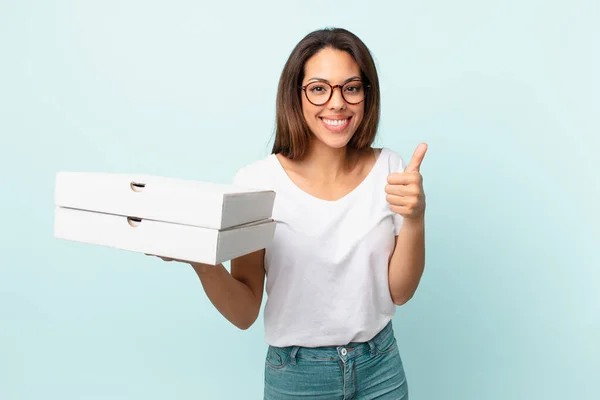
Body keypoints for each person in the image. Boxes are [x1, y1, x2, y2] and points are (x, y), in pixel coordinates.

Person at [158, 27, 426, 399]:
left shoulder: (392, 169)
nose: (337, 103)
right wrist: (203, 263)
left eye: (351, 87)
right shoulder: (257, 182)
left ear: (366, 94)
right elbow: (244, 312)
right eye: (318, 88)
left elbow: (401, 292)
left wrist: (415, 218)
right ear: (295, 96)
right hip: (298, 377)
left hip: (380, 366)